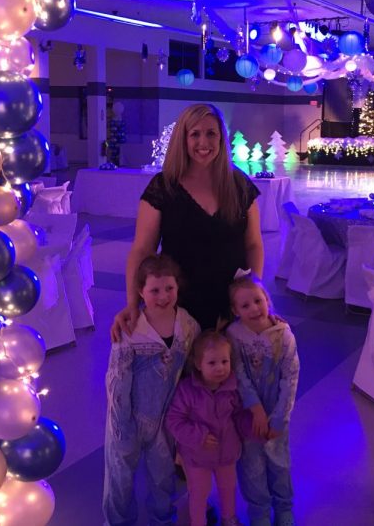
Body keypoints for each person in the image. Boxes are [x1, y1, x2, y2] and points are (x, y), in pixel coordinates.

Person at [111, 103, 264, 339]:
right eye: (195, 134)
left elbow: (253, 244)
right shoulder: (164, 187)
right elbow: (142, 250)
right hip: (177, 307)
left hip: (229, 308)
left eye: (211, 133)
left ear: (222, 138)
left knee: (226, 372)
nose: (204, 142)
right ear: (183, 139)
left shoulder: (240, 186)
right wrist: (132, 302)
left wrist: (254, 294)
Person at [103, 254, 201, 526]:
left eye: (169, 288)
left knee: (163, 474)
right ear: (140, 292)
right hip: (129, 416)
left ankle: (163, 518)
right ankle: (117, 522)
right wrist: (122, 422)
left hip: (166, 418)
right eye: (154, 290)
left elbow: (191, 370)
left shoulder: (188, 325)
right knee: (120, 476)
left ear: (178, 287)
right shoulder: (131, 329)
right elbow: (117, 378)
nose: (163, 296)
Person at [226, 272, 300, 526]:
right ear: (235, 310)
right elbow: (239, 374)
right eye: (245, 305)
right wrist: (254, 408)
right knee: (252, 467)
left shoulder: (283, 335)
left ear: (267, 299)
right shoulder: (234, 335)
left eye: (258, 301)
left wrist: (279, 417)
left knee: (279, 462)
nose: (254, 309)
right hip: (248, 414)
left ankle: (284, 509)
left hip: (278, 411)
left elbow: (290, 378)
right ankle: (259, 514)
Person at [166, 331, 250, 526]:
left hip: (226, 452)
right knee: (199, 493)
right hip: (196, 456)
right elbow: (174, 420)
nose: (220, 368)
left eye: (224, 361)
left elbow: (238, 414)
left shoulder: (233, 387)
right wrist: (199, 436)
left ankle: (229, 519)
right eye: (212, 363)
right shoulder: (188, 390)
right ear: (198, 364)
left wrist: (249, 428)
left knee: (228, 488)